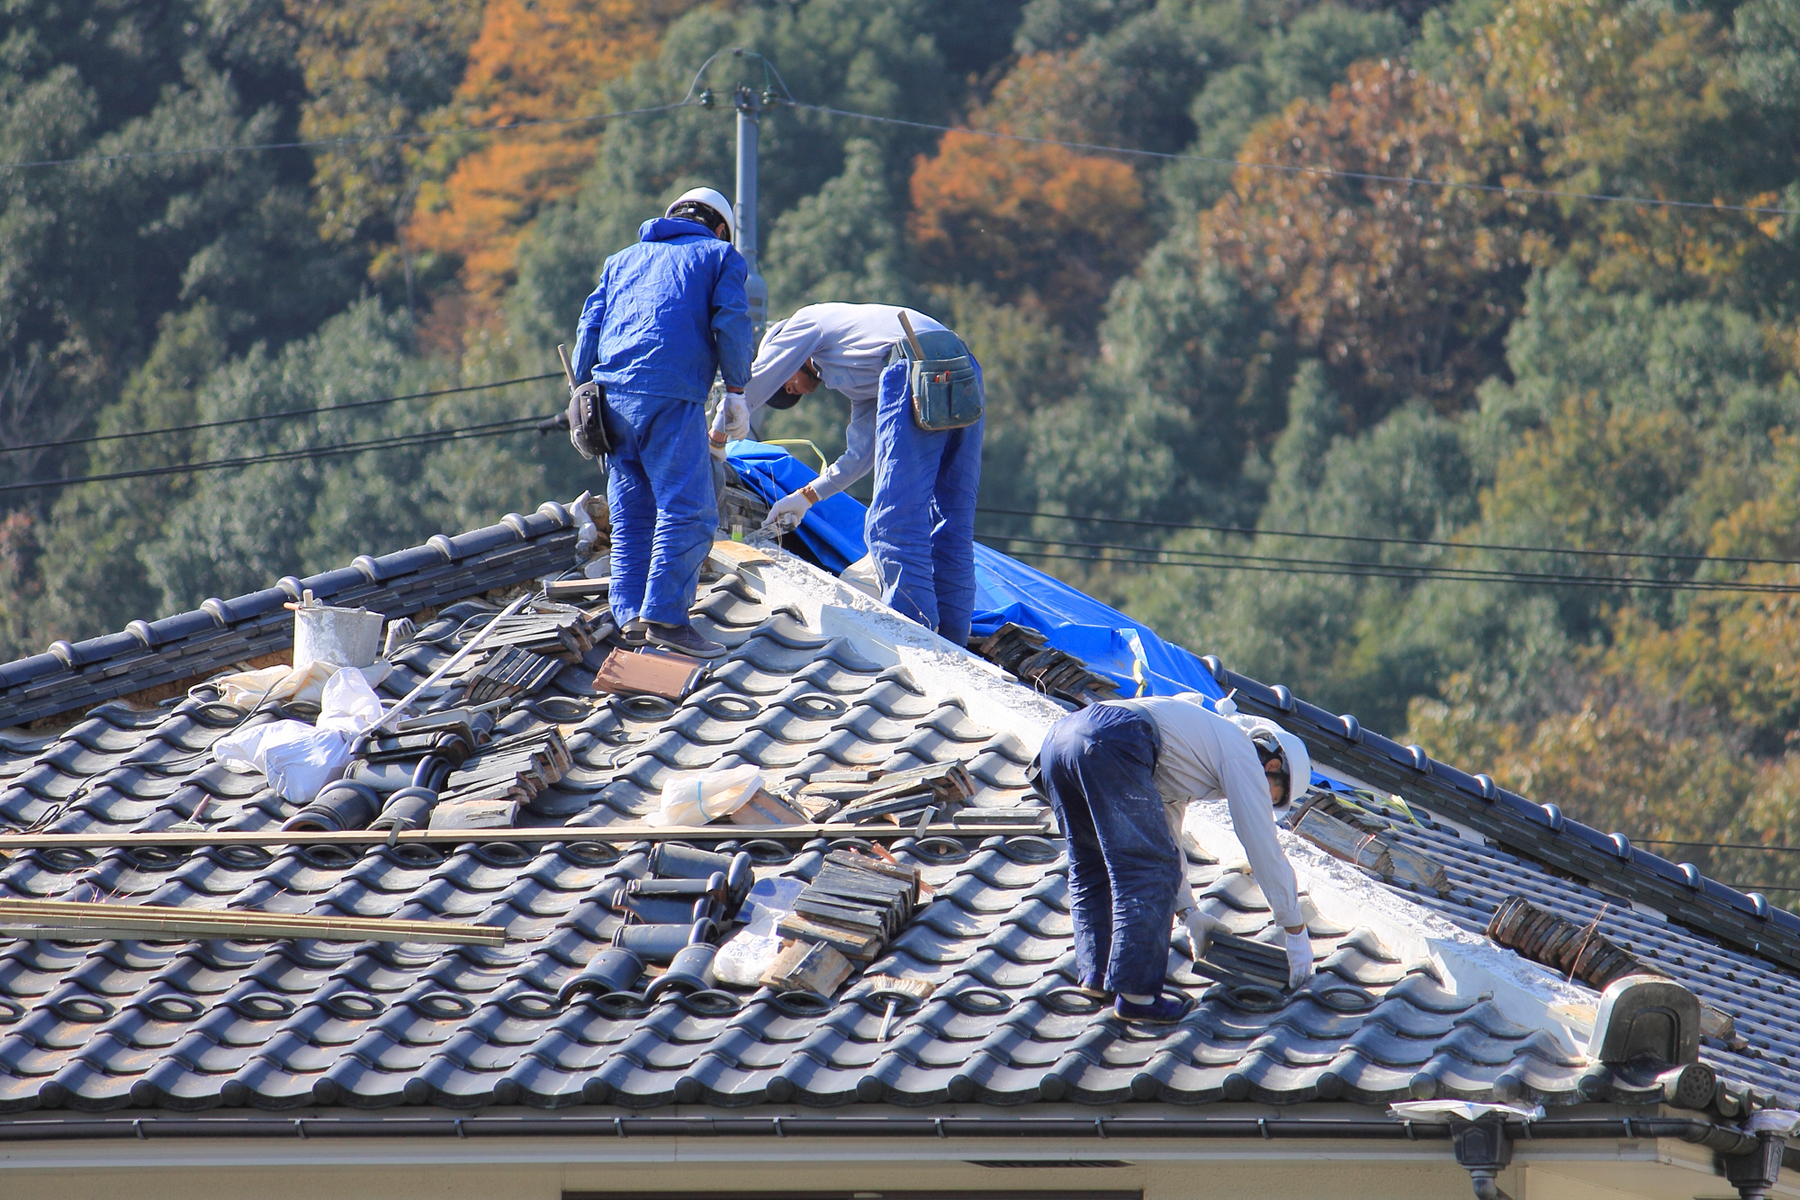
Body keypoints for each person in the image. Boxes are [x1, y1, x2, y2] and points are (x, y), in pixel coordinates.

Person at [1032, 693, 1314, 1022]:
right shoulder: (1241, 752)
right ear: (1273, 766)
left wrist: (1190, 913)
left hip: (1059, 742)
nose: (1266, 801)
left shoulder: (1189, 750)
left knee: (1091, 864)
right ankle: (1136, 995)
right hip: (1112, 740)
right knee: (1146, 870)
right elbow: (1261, 842)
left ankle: (1096, 976)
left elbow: (1167, 836)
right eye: (1273, 795)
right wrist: (1294, 928)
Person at [719, 302, 984, 645]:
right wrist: (805, 497)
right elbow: (859, 457)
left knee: (893, 525)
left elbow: (754, 382)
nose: (789, 391)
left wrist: (715, 438)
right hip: (960, 368)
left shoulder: (804, 323)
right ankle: (953, 642)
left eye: (785, 385)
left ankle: (917, 641)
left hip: (914, 365)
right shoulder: (861, 370)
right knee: (950, 522)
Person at [568, 186, 752, 658]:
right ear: (718, 228)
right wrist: (736, 390)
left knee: (632, 512)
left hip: (609, 400)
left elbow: (589, 327)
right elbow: (730, 320)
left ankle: (630, 617)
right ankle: (667, 620)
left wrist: (582, 393)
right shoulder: (720, 255)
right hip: (669, 394)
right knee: (688, 509)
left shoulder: (622, 259)